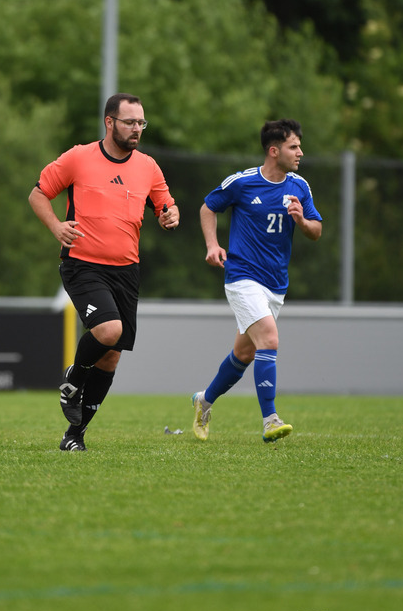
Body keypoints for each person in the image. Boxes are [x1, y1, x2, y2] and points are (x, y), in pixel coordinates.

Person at [29, 93, 179, 451]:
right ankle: (73, 378)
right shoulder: (79, 157)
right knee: (109, 331)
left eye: (141, 122)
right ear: (109, 122)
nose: (137, 129)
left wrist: (171, 216)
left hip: (127, 270)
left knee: (111, 355)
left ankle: (74, 436)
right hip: (83, 264)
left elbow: (166, 206)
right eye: (130, 122)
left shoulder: (148, 166)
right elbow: (38, 194)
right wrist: (55, 227)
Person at [192, 118, 322, 443]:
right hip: (242, 277)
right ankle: (270, 419)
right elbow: (208, 207)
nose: (300, 152)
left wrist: (302, 221)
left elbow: (317, 231)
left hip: (276, 284)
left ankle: (204, 401)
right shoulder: (243, 182)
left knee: (245, 354)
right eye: (294, 146)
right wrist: (212, 244)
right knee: (270, 339)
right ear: (274, 150)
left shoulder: (299, 187)